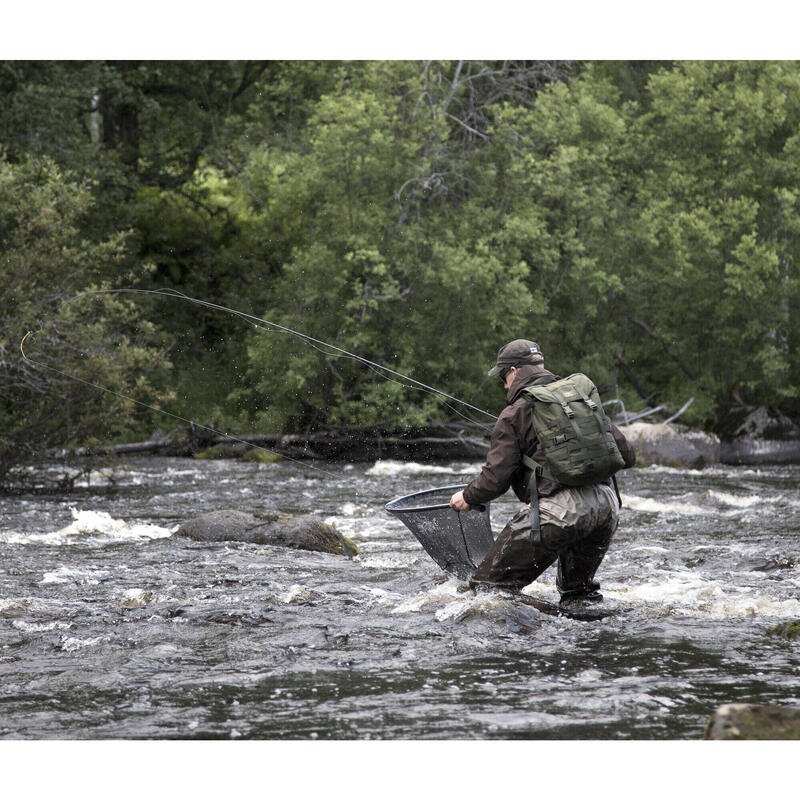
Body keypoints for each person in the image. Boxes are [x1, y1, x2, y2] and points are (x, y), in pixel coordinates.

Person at [450, 339, 636, 606]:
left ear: (513, 371)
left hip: (559, 514)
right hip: (606, 507)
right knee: (578, 596)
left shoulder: (514, 413)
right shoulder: (579, 400)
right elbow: (627, 456)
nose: (504, 385)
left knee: (487, 593)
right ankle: (590, 641)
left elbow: (495, 480)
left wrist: (467, 496)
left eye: (503, 377)